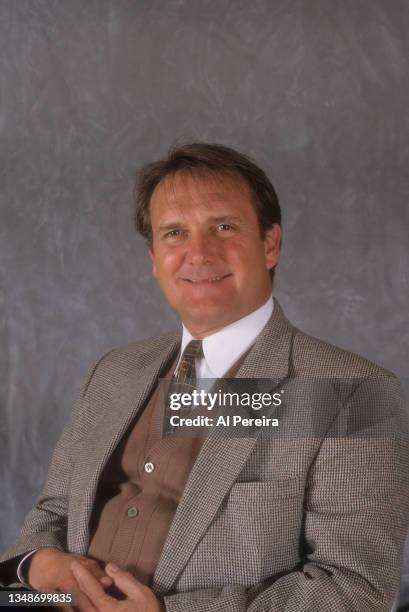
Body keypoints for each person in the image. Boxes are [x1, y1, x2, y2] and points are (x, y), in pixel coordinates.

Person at [1, 143, 408, 612]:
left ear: (270, 243)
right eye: (174, 233)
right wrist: (34, 567)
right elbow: (51, 514)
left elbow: (355, 590)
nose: (199, 252)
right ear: (154, 257)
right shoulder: (112, 373)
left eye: (224, 226)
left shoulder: (349, 394)